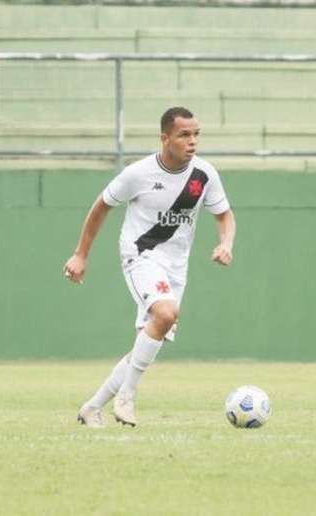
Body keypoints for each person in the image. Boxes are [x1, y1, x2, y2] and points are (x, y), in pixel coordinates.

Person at [63, 107, 236, 428]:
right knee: (166, 314)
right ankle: (127, 397)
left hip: (175, 267)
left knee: (147, 339)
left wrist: (226, 243)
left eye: (196, 134)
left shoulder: (205, 175)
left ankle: (92, 408)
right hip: (140, 255)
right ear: (165, 138)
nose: (193, 141)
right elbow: (101, 207)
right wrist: (80, 254)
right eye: (185, 134)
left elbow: (224, 215)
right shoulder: (138, 174)